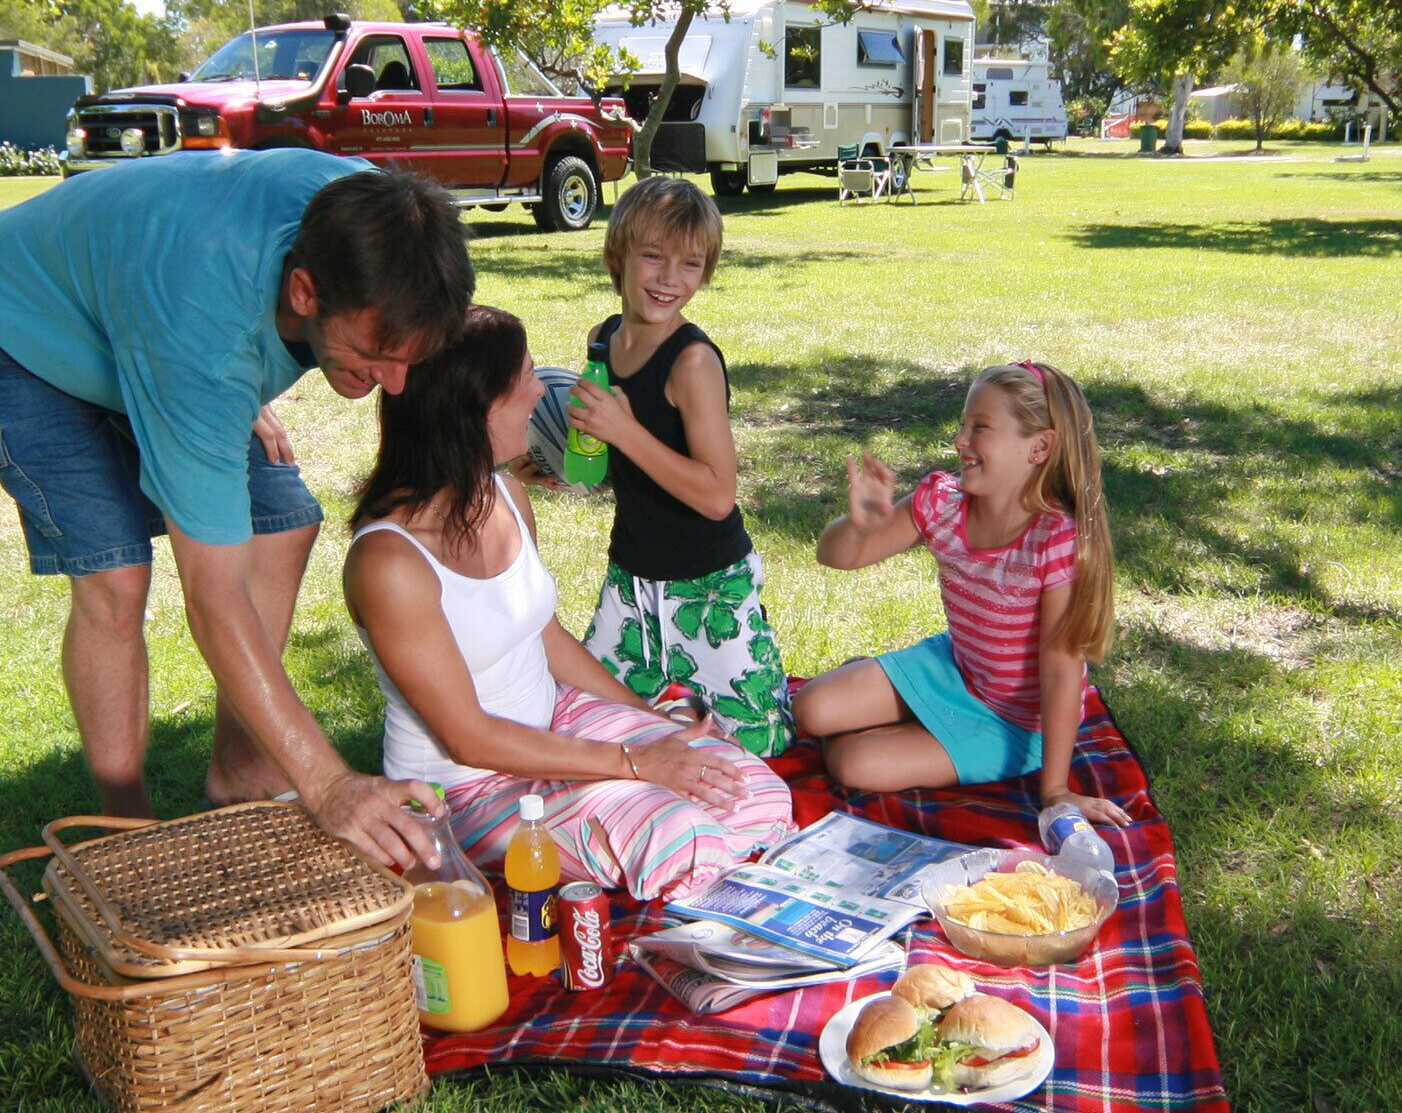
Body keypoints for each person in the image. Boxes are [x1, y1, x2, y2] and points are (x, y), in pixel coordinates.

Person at [0, 149, 468, 870]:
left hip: (155, 318)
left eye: (411, 357)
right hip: (9, 327)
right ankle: (126, 832)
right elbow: (214, 601)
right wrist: (330, 783)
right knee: (116, 576)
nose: (395, 385)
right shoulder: (201, 343)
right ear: (305, 291)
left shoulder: (383, 219)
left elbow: (210, 314)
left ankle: (242, 771)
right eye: (374, 354)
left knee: (286, 521)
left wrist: (246, 385)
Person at [344, 306, 795, 898]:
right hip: (468, 788)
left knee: (749, 784)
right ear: (475, 412)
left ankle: (709, 867)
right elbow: (468, 737)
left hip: (555, 719)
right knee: (680, 838)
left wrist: (649, 721)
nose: (542, 389)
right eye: (525, 378)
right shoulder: (390, 562)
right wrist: (636, 761)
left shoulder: (502, 492)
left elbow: (548, 637)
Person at [792, 360, 1126, 823]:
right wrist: (859, 525)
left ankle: (899, 715)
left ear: (1039, 447)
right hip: (954, 668)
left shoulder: (1056, 542)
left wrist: (1054, 790)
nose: (960, 440)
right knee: (809, 709)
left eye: (980, 428)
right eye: (963, 425)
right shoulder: (942, 502)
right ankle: (899, 708)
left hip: (1011, 722)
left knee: (853, 764)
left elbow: (1060, 671)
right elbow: (835, 556)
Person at [566, 177, 794, 756]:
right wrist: (560, 459)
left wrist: (625, 432)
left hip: (709, 581)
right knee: (584, 721)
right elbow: (619, 459)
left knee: (762, 747)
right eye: (653, 256)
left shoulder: (692, 362)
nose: (670, 278)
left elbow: (718, 494)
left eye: (690, 264)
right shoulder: (604, 340)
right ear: (617, 256)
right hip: (632, 579)